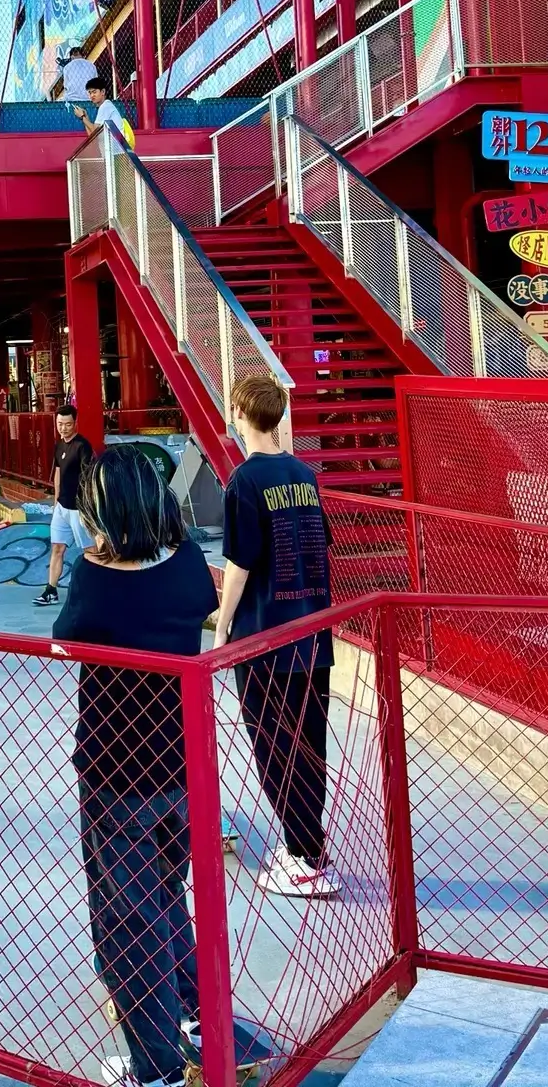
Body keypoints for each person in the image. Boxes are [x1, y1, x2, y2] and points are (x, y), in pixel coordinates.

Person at [53, 445, 218, 1087]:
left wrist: (97, 558)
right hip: (180, 760)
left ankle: (155, 1066)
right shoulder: (186, 564)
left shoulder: (98, 576)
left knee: (125, 914)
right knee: (166, 893)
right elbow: (196, 602)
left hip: (113, 768)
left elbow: (69, 635)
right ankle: (198, 1015)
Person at [214, 373, 338, 900]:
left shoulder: (244, 482)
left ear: (241, 414)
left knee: (273, 746)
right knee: (309, 744)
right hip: (312, 630)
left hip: (265, 638)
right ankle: (308, 846)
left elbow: (240, 564)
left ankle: (303, 858)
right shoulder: (304, 476)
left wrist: (221, 630)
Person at [34, 404, 94, 608]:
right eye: (60, 424)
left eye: (68, 424)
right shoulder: (59, 445)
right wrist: (55, 502)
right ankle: (51, 591)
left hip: (79, 508)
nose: (63, 428)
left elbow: (89, 476)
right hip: (61, 507)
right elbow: (58, 473)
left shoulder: (82, 446)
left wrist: (88, 507)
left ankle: (95, 591)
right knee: (57, 548)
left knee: (90, 551)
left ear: (75, 423)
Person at [77, 78, 136, 147]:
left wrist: (82, 117)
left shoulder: (106, 106)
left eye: (94, 92)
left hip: (119, 149)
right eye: (90, 93)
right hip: (116, 149)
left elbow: (95, 131)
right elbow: (92, 137)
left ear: (103, 92)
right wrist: (85, 117)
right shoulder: (105, 106)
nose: (92, 95)